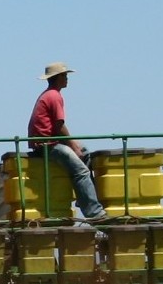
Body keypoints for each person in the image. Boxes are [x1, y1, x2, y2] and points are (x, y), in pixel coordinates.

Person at [27, 62, 108, 221]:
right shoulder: (54, 96)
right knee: (82, 171)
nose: (67, 79)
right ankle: (95, 213)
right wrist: (72, 145)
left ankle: (83, 196)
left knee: (85, 151)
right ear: (57, 78)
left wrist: (76, 147)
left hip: (47, 141)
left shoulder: (48, 94)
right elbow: (59, 126)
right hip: (47, 145)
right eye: (65, 76)